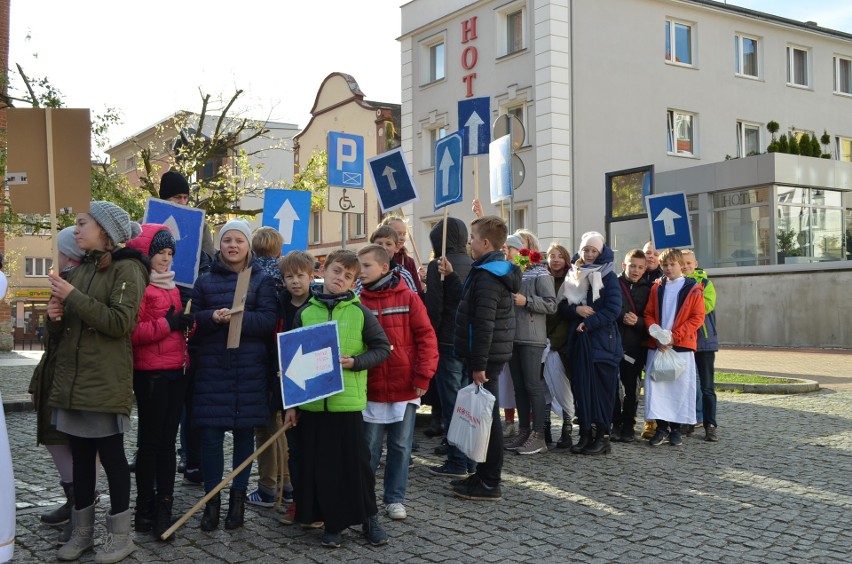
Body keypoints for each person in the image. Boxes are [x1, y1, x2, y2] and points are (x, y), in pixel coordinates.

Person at [47, 201, 147, 563]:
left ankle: (120, 537)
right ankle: (83, 532)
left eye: (81, 223)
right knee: (82, 460)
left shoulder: (128, 269)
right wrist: (54, 316)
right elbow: (61, 333)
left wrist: (73, 296)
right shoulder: (82, 269)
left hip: (104, 381)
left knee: (113, 459)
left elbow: (120, 323)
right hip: (75, 380)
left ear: (104, 230)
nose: (76, 229)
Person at [284, 250, 391, 548]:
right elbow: (291, 360)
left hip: (346, 404)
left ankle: (370, 519)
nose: (340, 279)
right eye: (336, 271)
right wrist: (291, 405)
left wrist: (355, 362)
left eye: (348, 276)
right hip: (313, 405)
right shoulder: (305, 313)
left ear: (354, 281)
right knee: (322, 469)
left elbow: (382, 348)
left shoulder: (360, 312)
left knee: (356, 467)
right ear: (324, 270)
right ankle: (333, 524)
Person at [190, 218, 277, 531]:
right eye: (227, 240)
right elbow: (193, 323)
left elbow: (268, 321)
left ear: (248, 245)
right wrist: (211, 318)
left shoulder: (261, 280)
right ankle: (211, 503)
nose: (232, 246)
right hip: (213, 369)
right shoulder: (204, 282)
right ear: (221, 245)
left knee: (243, 437)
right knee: (211, 438)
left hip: (250, 370)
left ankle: (237, 503)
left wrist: (239, 320)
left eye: (239, 240)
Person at [358, 245, 438, 521]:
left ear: (383, 267)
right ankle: (364, 500)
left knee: (401, 447)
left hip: (405, 386)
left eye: (366, 266)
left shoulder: (408, 297)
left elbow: (426, 337)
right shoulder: (358, 300)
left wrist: (423, 375)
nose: (361, 271)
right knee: (368, 449)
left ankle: (394, 498)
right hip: (371, 386)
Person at [125, 224, 194, 539]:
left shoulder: (174, 288)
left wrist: (187, 327)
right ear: (147, 255)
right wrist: (169, 323)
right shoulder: (139, 286)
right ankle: (145, 508)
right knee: (150, 444)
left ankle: (164, 507)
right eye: (160, 253)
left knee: (168, 444)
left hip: (176, 371)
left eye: (169, 253)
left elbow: (174, 331)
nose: (165, 259)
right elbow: (134, 332)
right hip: (150, 373)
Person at [447, 215, 521, 501]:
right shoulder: (488, 270)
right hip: (487, 355)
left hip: (486, 358)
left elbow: (483, 323)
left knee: (487, 420)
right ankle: (482, 474)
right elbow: (471, 308)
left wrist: (478, 365)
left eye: (473, 238)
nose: (470, 243)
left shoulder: (490, 275)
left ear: (486, 242)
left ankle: (490, 482)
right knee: (484, 419)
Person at [27, 227, 90, 544]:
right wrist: (51, 320)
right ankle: (72, 498)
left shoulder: (80, 282)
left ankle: (81, 504)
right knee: (53, 436)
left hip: (76, 374)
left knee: (74, 440)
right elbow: (52, 338)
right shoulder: (60, 282)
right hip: (54, 370)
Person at [158, 170, 212, 485]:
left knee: (191, 400)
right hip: (161, 323)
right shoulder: (151, 223)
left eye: (184, 197)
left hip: (191, 322)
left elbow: (205, 265)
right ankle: (155, 457)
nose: (182, 202)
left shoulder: (199, 225)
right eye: (176, 197)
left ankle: (192, 460)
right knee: (163, 400)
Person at [557, 231, 623, 456]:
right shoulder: (574, 273)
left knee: (601, 391)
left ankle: (602, 437)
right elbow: (562, 305)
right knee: (582, 389)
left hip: (603, 342)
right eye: (586, 250)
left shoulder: (609, 275)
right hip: (580, 342)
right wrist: (576, 310)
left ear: (601, 251)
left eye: (594, 250)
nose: (589, 254)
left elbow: (614, 309)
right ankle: (585, 433)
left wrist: (589, 323)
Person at [245, 227, 293, 509]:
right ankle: (286, 484)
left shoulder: (248, 276)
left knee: (265, 425)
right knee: (281, 422)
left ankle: (268, 486)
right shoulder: (286, 277)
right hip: (283, 356)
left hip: (259, 357)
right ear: (279, 250)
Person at [425, 218, 477, 478]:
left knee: (453, 404)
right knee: (469, 403)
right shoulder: (474, 263)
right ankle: (470, 460)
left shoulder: (440, 265)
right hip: (471, 342)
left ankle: (457, 461)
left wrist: (429, 336)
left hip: (447, 340)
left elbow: (434, 306)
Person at [644, 248, 705, 447]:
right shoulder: (657, 287)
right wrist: (658, 336)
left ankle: (676, 429)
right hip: (659, 346)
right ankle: (661, 427)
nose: (668, 268)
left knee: (679, 388)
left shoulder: (693, 288)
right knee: (658, 388)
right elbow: (649, 314)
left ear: (681, 265)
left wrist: (674, 337)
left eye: (672, 264)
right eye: (665, 265)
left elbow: (697, 317)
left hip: (681, 346)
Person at [274, 251, 318, 527]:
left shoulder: (319, 304)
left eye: (301, 275)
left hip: (311, 385)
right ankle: (299, 503)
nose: (295, 281)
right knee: (295, 450)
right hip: (285, 383)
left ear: (311, 277)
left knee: (314, 449)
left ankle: (316, 507)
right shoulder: (279, 305)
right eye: (289, 276)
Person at [504, 231, 556, 455]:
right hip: (513, 336)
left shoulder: (540, 272)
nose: (505, 253)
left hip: (532, 338)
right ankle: (524, 431)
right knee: (519, 387)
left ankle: (539, 435)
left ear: (521, 251)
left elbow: (551, 305)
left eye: (509, 249)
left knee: (532, 386)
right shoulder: (512, 272)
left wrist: (528, 301)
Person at [613, 249, 651, 443]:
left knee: (631, 388)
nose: (635, 270)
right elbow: (609, 308)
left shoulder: (650, 289)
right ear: (624, 266)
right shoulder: (614, 283)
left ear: (645, 269)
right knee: (613, 387)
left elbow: (653, 318)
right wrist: (622, 316)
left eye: (640, 267)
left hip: (636, 347)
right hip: (614, 343)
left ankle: (629, 425)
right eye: (632, 266)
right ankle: (615, 423)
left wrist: (638, 322)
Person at [682, 250, 719, 442]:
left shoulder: (706, 284)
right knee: (687, 385)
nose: (686, 267)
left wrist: (686, 302)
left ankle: (710, 424)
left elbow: (706, 307)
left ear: (695, 263)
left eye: (689, 263)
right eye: (682, 263)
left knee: (707, 387)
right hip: (684, 341)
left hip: (704, 342)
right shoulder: (677, 284)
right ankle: (688, 422)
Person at [544, 242, 575, 449]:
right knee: (542, 387)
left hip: (561, 345)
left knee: (564, 387)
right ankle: (544, 428)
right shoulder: (541, 278)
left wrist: (552, 342)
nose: (555, 259)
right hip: (540, 341)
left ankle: (567, 428)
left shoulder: (573, 282)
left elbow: (566, 317)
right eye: (551, 255)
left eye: (559, 256)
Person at [640, 240, 663, 440]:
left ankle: (652, 422)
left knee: (652, 382)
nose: (651, 256)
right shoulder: (635, 271)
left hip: (652, 338)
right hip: (632, 337)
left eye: (655, 254)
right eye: (648, 252)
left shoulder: (662, 280)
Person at [381, 215, 424, 294]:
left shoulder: (409, 262)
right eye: (398, 234)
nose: (402, 238)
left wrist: (422, 282)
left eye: (404, 234)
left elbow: (416, 295)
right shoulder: (377, 259)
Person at [370, 226, 419, 293]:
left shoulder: (404, 275)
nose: (384, 248)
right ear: (371, 247)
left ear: (396, 248)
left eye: (388, 244)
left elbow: (413, 300)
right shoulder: (365, 273)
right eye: (379, 244)